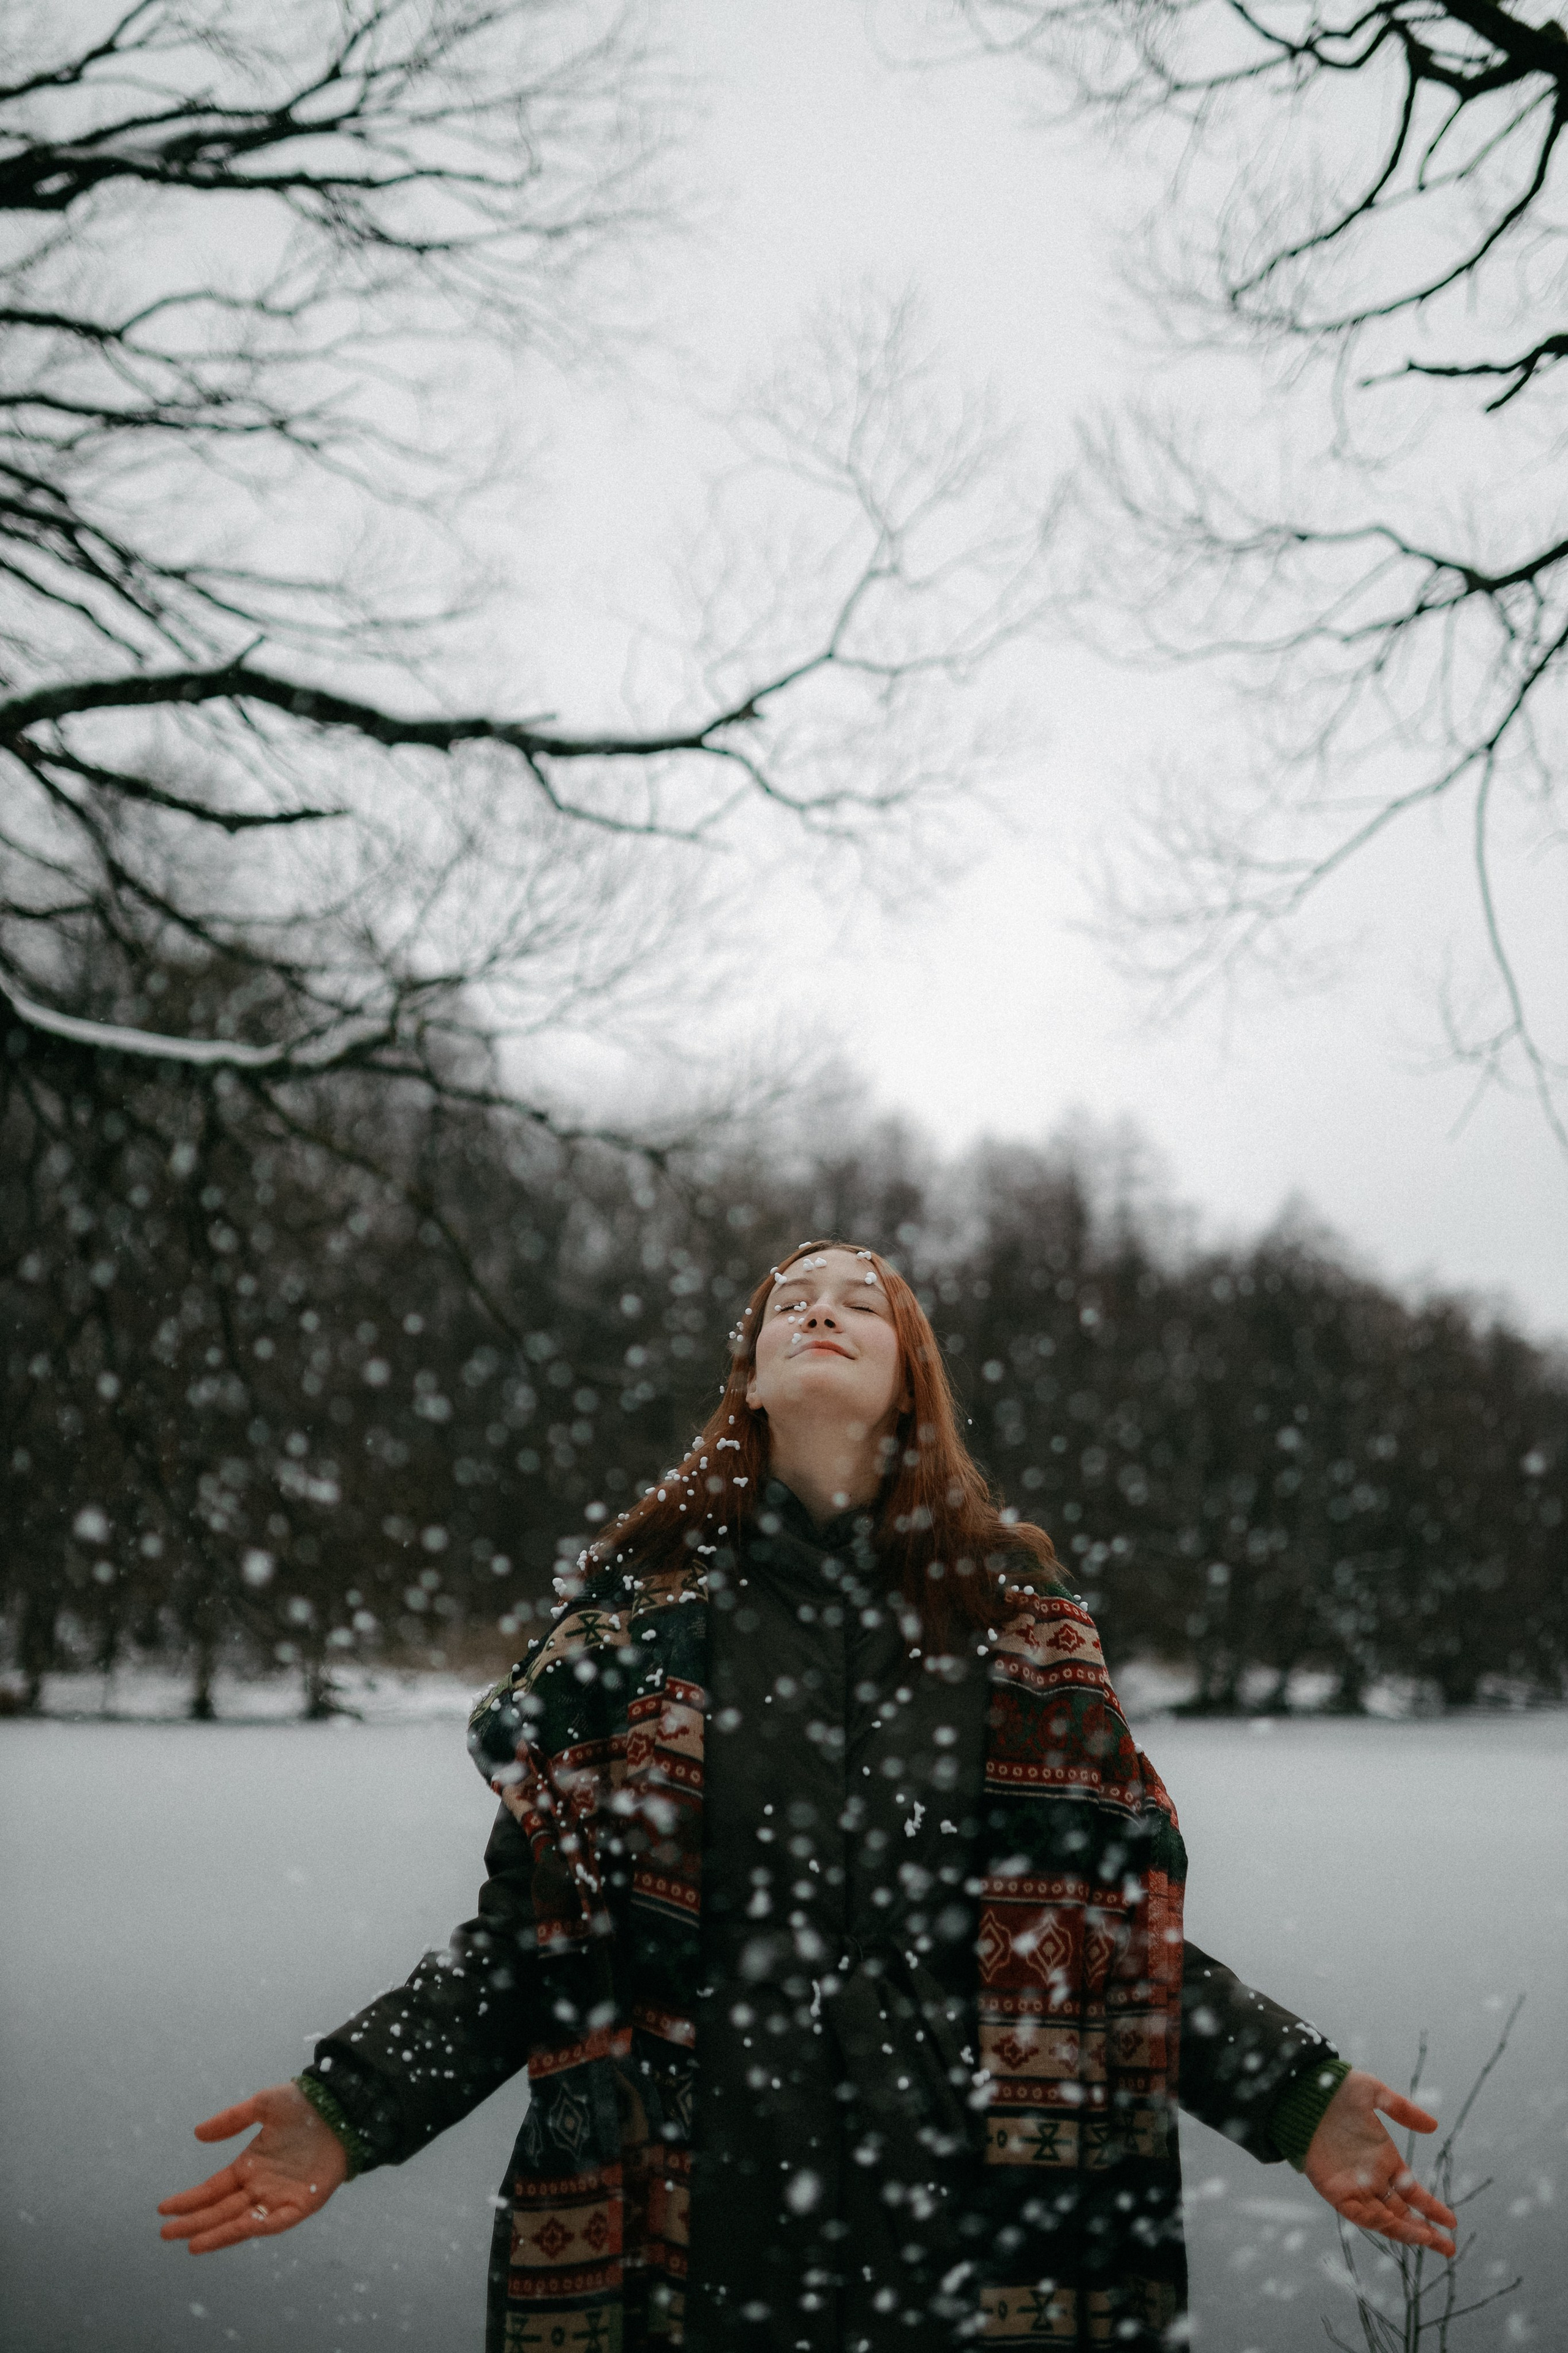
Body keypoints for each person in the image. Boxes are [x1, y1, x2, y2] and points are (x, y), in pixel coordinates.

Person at [159, 1240, 1457, 2351]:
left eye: (857, 1302)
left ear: (910, 1375)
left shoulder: (1019, 1628)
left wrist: (1295, 2094)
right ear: (751, 1380)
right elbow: (534, 1948)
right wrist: (351, 2104)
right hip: (694, 2255)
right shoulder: (638, 1630)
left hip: (966, 2252)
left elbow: (1107, 1949)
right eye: (788, 1302)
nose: (818, 1311)